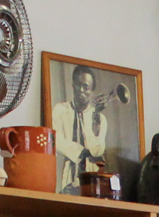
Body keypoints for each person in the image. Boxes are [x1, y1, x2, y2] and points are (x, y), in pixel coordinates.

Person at [52, 65, 131, 193]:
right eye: (78, 85)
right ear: (72, 85)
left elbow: (97, 151)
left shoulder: (100, 119)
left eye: (86, 87)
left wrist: (95, 126)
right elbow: (57, 140)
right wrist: (83, 152)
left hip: (91, 182)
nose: (81, 90)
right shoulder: (60, 110)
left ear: (92, 91)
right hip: (67, 178)